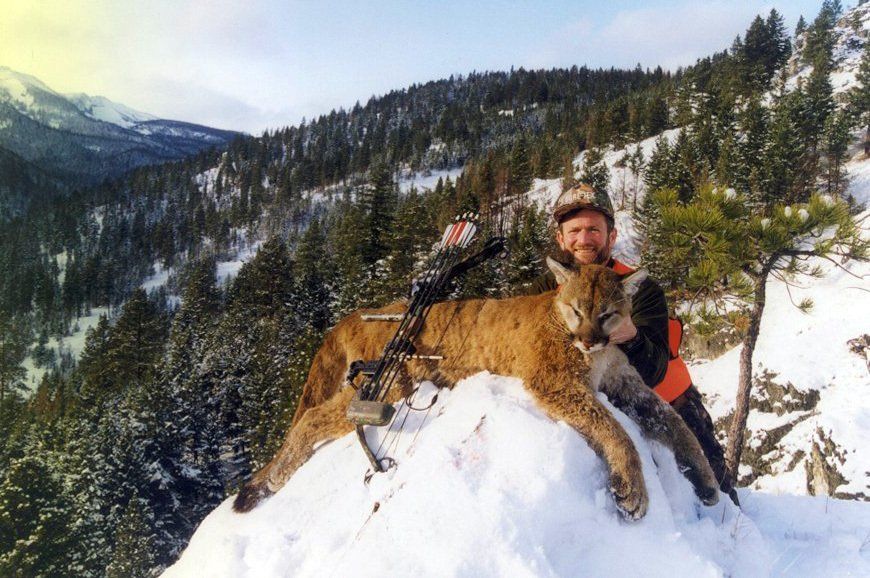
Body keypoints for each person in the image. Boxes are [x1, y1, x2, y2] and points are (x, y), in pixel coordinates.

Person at [525, 182, 739, 505]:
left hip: (670, 402)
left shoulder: (638, 287)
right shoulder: (545, 287)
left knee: (719, 505)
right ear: (560, 238)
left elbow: (655, 371)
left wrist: (632, 337)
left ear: (611, 236)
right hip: (596, 396)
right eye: (575, 230)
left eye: (594, 230)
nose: (584, 239)